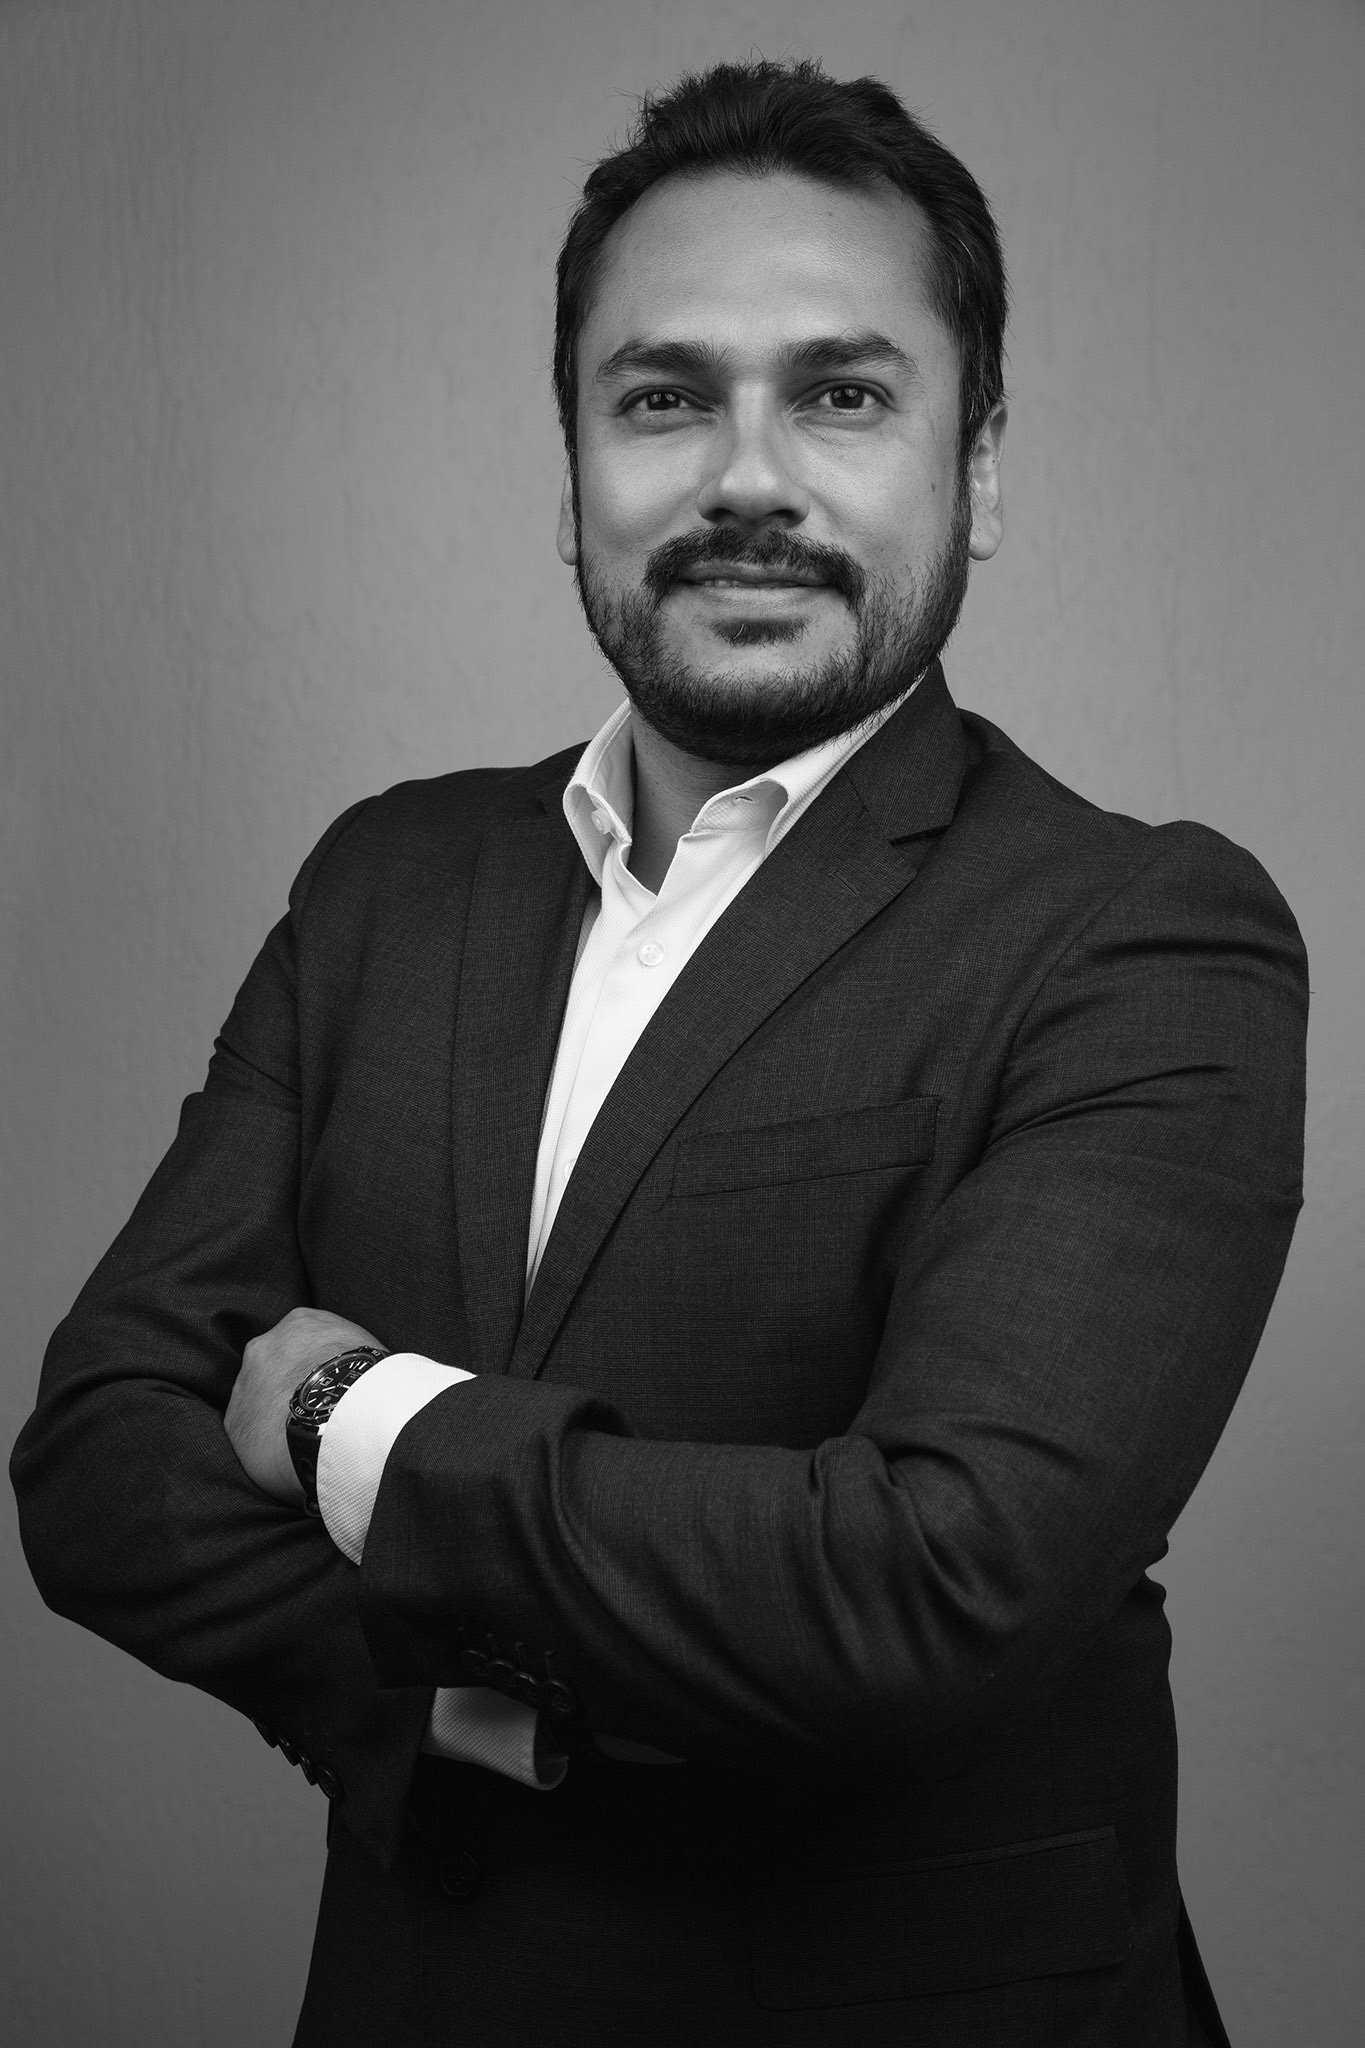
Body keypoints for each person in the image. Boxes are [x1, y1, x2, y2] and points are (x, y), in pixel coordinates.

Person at [11, 58, 1307, 2048]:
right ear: (572, 475)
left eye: (841, 394)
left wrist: (347, 1412)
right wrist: (470, 1715)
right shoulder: (385, 884)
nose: (746, 478)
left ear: (973, 471)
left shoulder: (1140, 935)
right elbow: (103, 1453)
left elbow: (933, 1586)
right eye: (663, 397)